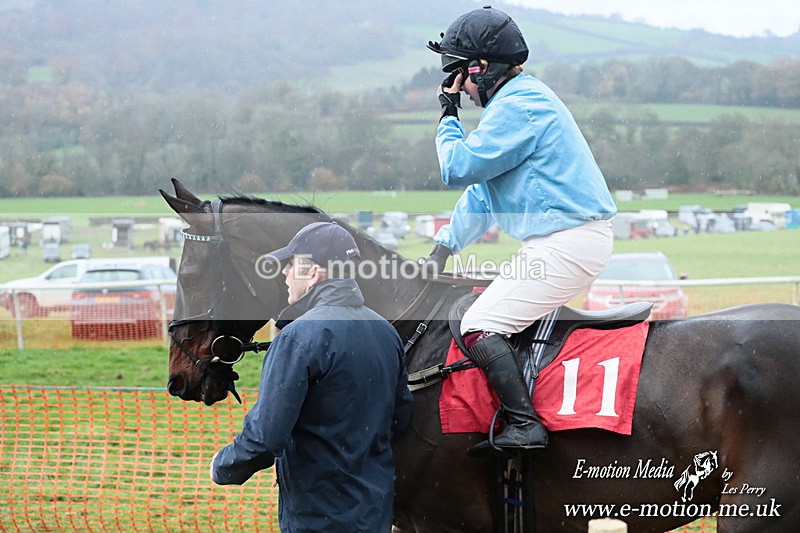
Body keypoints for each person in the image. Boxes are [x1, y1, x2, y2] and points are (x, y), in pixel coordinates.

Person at [426, 6, 617, 456]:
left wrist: (447, 116)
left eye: (461, 76)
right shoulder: (516, 104)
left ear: (482, 68)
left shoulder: (520, 105)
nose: (462, 88)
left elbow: (457, 168)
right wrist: (442, 248)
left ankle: (526, 424)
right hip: (563, 241)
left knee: (477, 324)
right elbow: (481, 193)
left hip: (567, 243)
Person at [209, 221, 413, 532]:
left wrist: (223, 466)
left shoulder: (296, 338)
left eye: (291, 265)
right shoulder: (386, 332)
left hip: (317, 517)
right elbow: (400, 418)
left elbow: (264, 439)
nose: (284, 274)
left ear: (314, 273)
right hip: (374, 513)